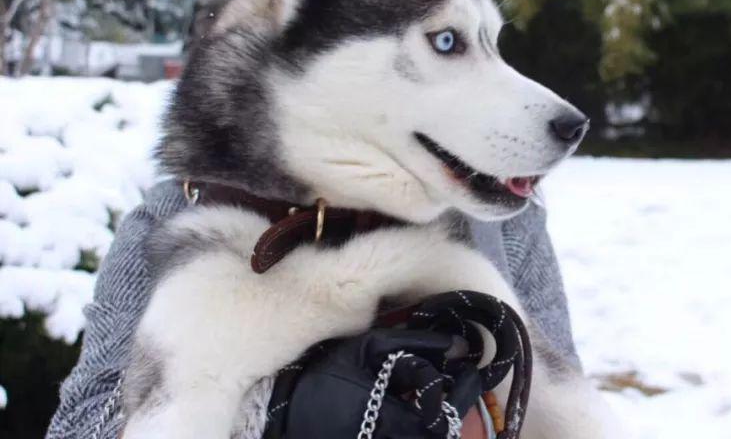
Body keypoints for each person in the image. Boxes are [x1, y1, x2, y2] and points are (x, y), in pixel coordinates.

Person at [46, 181, 578, 439]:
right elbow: (80, 423)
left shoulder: (498, 211)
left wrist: (480, 412)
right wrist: (279, 407)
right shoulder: (180, 212)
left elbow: (564, 402)